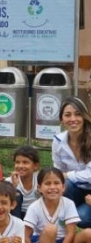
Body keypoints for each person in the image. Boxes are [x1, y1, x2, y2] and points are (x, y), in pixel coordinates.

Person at [52, 96, 91, 228]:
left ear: (84, 117)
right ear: (61, 119)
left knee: (82, 218)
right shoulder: (58, 141)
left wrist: (68, 175)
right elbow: (58, 171)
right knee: (62, 186)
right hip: (77, 189)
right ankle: (62, 233)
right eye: (67, 115)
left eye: (78, 114)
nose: (73, 119)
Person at [24, 168, 91, 243]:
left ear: (63, 187)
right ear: (39, 188)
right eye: (48, 183)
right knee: (50, 229)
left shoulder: (69, 204)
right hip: (42, 239)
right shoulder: (34, 207)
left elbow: (70, 233)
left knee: (88, 233)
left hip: (64, 240)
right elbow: (25, 235)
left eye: (56, 183)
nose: (52, 187)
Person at [8, 145, 41, 219]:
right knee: (16, 194)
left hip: (35, 215)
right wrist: (14, 187)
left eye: (25, 162)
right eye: (17, 162)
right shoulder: (10, 181)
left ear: (35, 166)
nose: (20, 166)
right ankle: (17, 227)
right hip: (17, 215)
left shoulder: (40, 179)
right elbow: (6, 204)